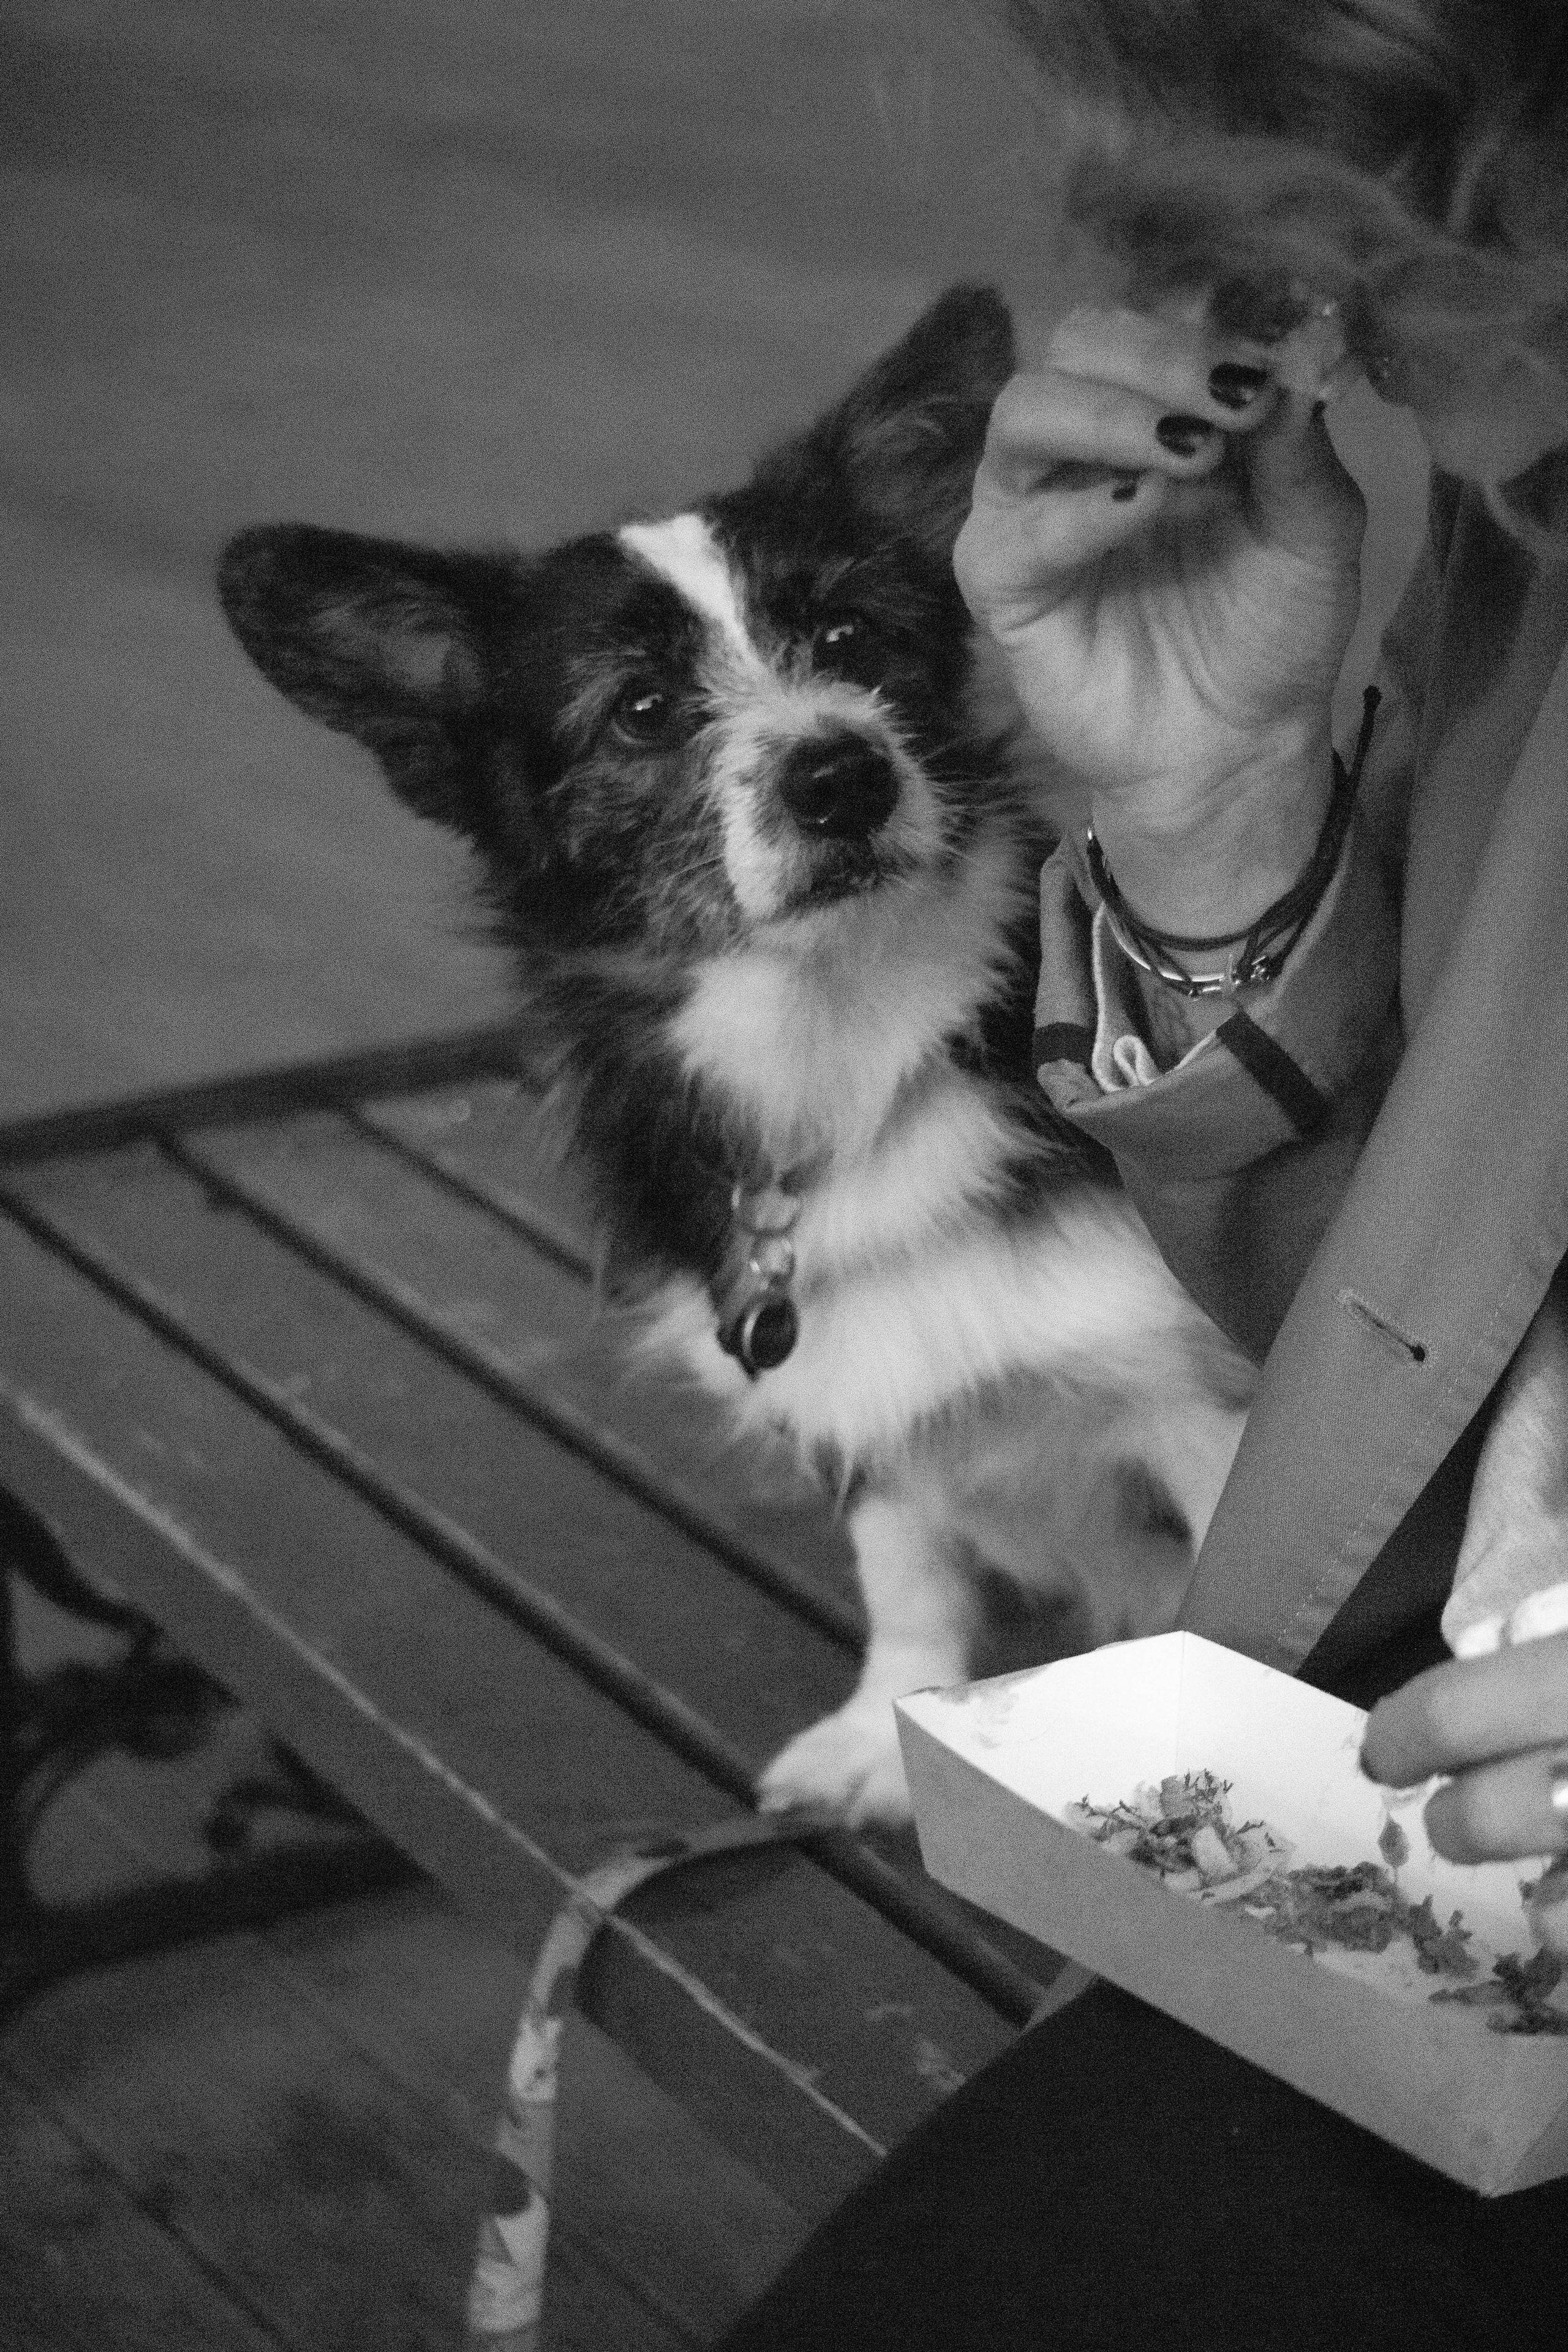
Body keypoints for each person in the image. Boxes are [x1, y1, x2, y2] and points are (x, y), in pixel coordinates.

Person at [718, 4, 1568, 2344]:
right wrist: (1210, 811)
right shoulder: (1526, 554)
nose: (1300, 274)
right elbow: (1411, 1373)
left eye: (1379, 163)